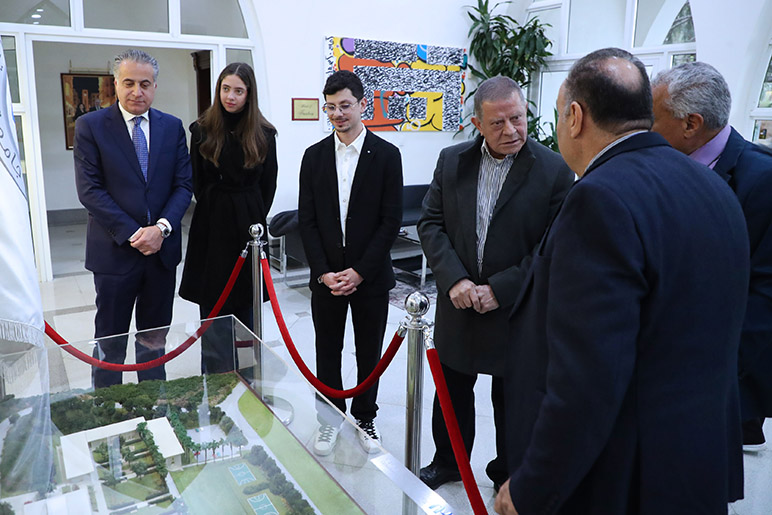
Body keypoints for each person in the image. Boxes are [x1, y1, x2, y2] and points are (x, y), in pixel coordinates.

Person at [495, 48, 749, 514]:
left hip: (624, 477)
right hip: (696, 465)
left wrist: (533, 485)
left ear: (575, 117)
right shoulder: (713, 186)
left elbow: (587, 378)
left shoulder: (599, 199)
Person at [416, 75, 574, 492]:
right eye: (498, 123)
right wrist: (454, 279)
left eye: (517, 118)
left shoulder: (554, 170)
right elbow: (431, 223)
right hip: (460, 303)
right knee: (451, 391)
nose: (511, 130)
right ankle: (449, 462)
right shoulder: (452, 161)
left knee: (512, 399)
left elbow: (552, 247)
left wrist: (500, 289)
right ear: (477, 124)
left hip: (516, 307)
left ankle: (509, 471)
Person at [651, 61, 772, 453]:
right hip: (660, 374)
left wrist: (719, 377)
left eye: (653, 118)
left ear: (691, 124)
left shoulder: (763, 180)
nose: (646, 128)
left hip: (719, 382)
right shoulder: (659, 167)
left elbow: (765, 296)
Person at [298, 70, 403, 456]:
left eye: (345, 105)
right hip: (326, 277)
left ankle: (365, 417)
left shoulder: (387, 155)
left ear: (363, 104)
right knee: (327, 349)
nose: (338, 114)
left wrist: (360, 271)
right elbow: (307, 220)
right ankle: (328, 418)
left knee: (368, 351)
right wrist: (323, 272)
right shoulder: (313, 157)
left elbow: (390, 221)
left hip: (369, 277)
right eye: (331, 107)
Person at [74, 49, 193, 388]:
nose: (137, 92)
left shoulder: (172, 127)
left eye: (145, 84)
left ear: (155, 87)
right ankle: (106, 406)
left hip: (160, 256)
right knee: (110, 343)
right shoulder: (91, 126)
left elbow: (183, 185)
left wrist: (161, 229)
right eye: (129, 83)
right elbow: (90, 190)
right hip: (114, 255)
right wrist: (135, 233)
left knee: (154, 341)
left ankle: (153, 402)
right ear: (115, 84)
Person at [179, 62, 278, 374]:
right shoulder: (201, 130)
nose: (230, 96)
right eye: (225, 89)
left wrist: (250, 211)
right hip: (212, 224)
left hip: (249, 226)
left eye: (238, 91)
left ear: (249, 95)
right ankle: (216, 378)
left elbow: (268, 184)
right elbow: (196, 181)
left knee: (246, 305)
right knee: (213, 304)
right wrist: (221, 206)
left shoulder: (264, 133)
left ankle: (249, 376)